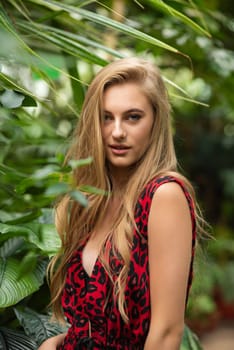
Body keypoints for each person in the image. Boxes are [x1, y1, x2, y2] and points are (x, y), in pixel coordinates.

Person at [38, 57, 201, 350]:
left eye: (133, 117)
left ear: (155, 121)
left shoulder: (163, 196)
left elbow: (166, 333)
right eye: (106, 117)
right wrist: (56, 343)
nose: (117, 132)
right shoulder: (90, 200)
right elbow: (94, 327)